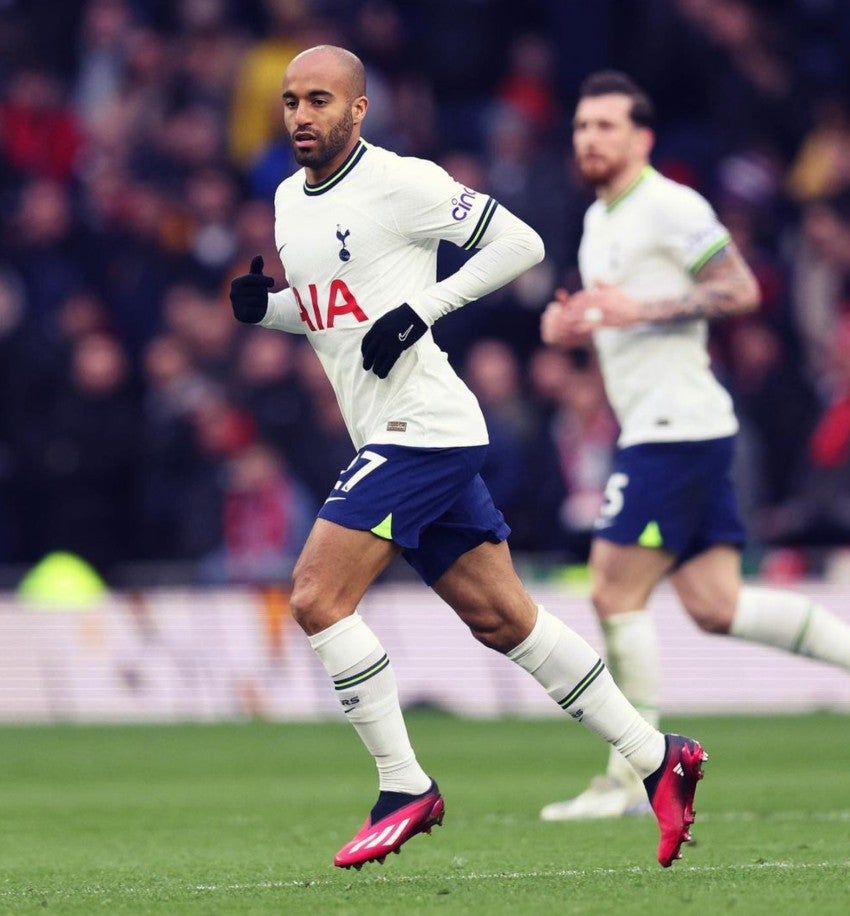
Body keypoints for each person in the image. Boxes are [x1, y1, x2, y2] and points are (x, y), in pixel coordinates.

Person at [229, 46, 706, 871]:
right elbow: (335, 310)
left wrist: (422, 310)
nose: (302, 115)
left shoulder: (399, 182)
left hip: (422, 428)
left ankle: (403, 786)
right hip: (394, 433)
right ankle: (657, 756)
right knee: (504, 620)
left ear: (359, 109)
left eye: (320, 100)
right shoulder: (286, 199)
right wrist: (269, 310)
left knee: (315, 596)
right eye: (291, 101)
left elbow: (520, 243)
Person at [539, 69, 850, 822]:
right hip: (677, 428)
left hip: (674, 431)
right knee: (716, 604)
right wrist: (575, 325)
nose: (590, 139)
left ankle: (630, 778)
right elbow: (618, 318)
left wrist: (638, 309)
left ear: (642, 137)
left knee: (613, 592)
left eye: (606, 126)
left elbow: (739, 288)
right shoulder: (598, 219)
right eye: (581, 126)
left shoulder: (671, 205)